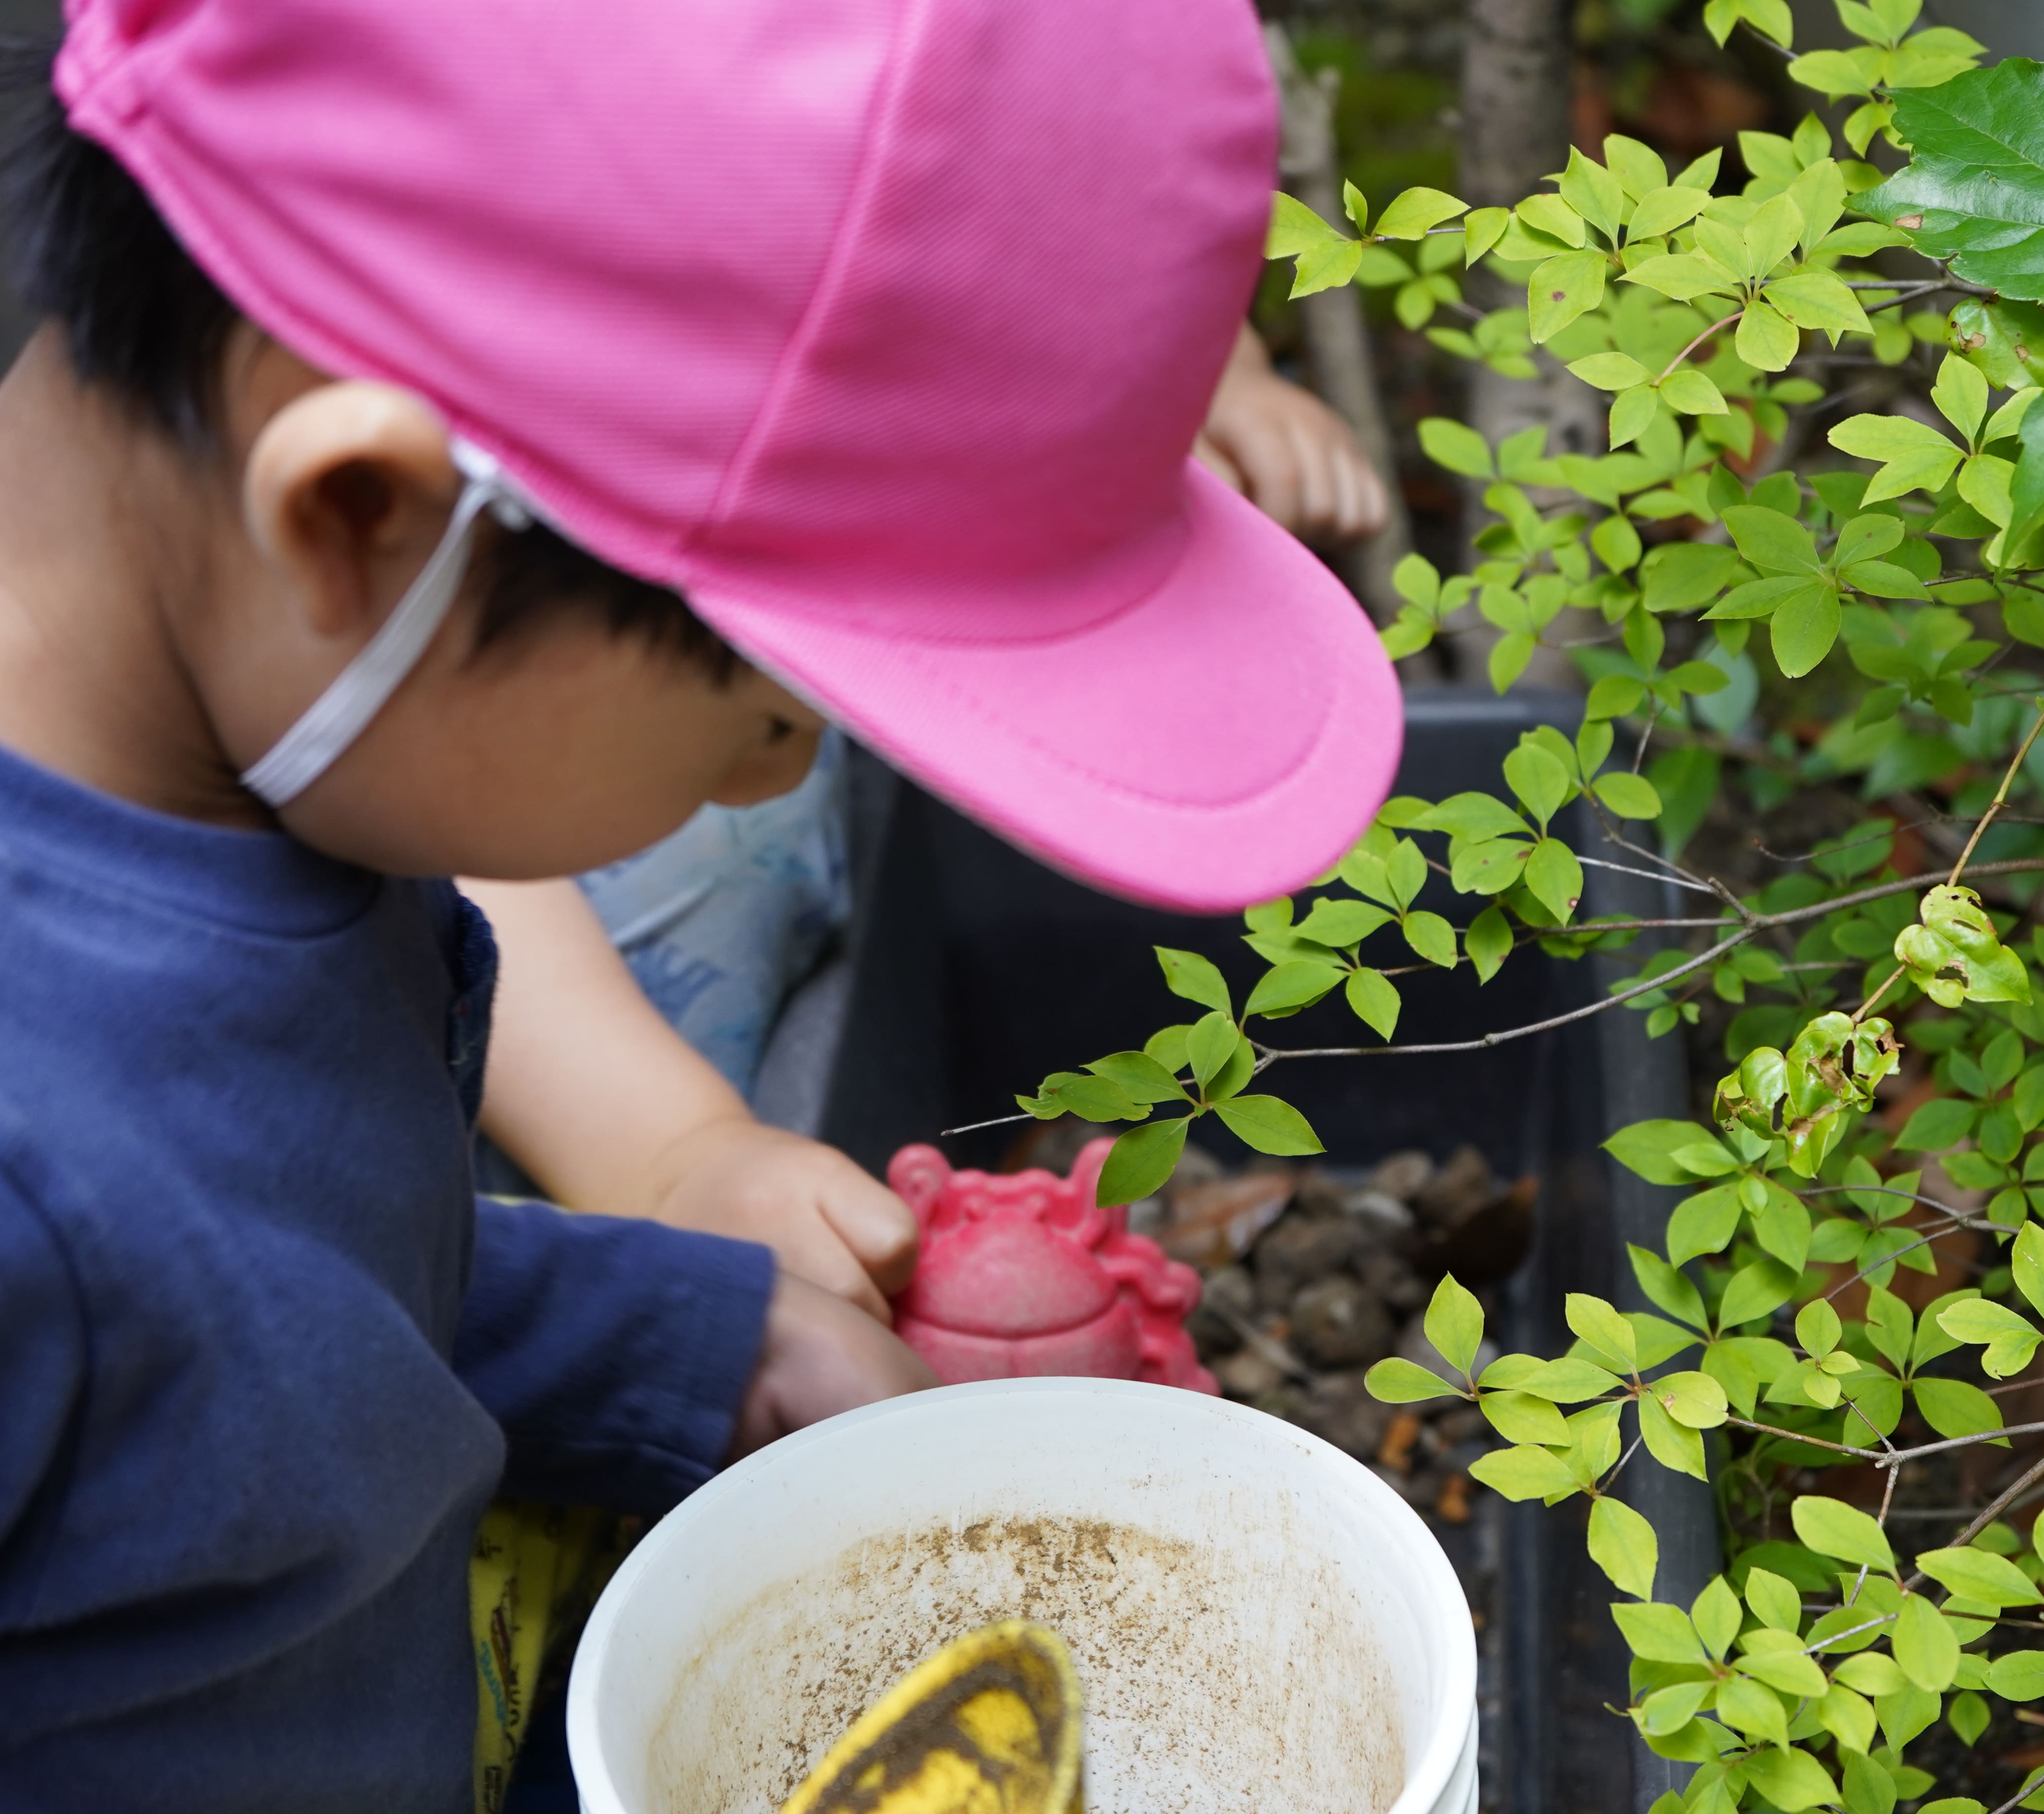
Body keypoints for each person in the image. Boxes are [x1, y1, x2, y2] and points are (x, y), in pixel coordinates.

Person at [0, 0, 1403, 1814]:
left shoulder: (248, 806)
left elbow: (240, 1315)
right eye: (775, 700)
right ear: (365, 523)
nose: (781, 776)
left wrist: (679, 1338)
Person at [467, 323, 1392, 1319]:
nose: (779, 772)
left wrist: (1218, 374)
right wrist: (669, 1157)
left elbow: (1061, 206)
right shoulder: (431, 778)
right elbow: (463, 878)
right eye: (781, 718)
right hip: (556, 1073)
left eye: (812, 717)